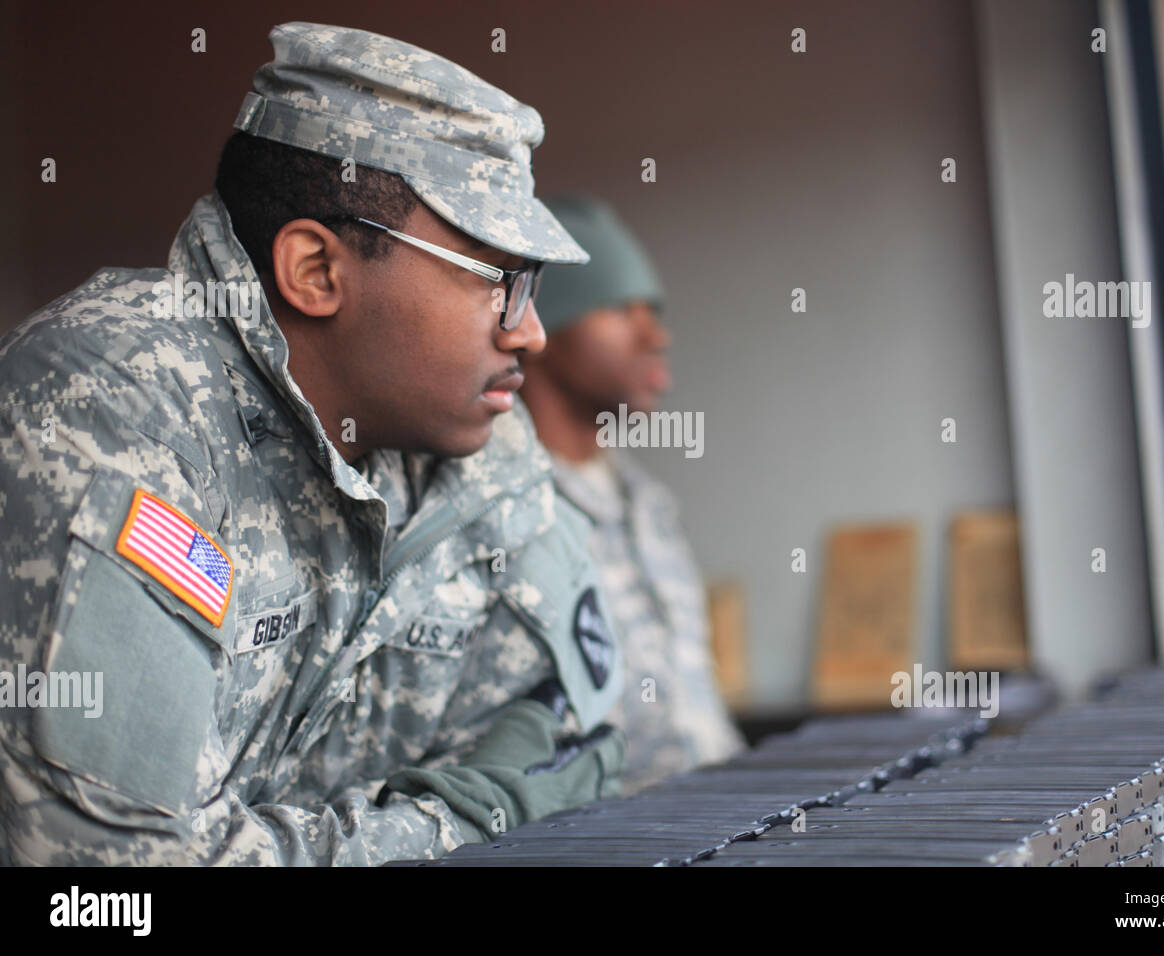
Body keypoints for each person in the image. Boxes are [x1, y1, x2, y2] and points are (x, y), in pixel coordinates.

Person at [0, 22, 625, 866]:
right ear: (317, 271)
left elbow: (573, 753)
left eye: (535, 288)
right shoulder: (111, 401)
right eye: (496, 282)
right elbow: (114, 880)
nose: (533, 334)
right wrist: (453, 828)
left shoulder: (482, 460)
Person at [520, 195, 744, 792]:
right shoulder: (501, 508)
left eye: (655, 310)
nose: (656, 334)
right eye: (620, 307)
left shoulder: (648, 503)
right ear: (542, 324)